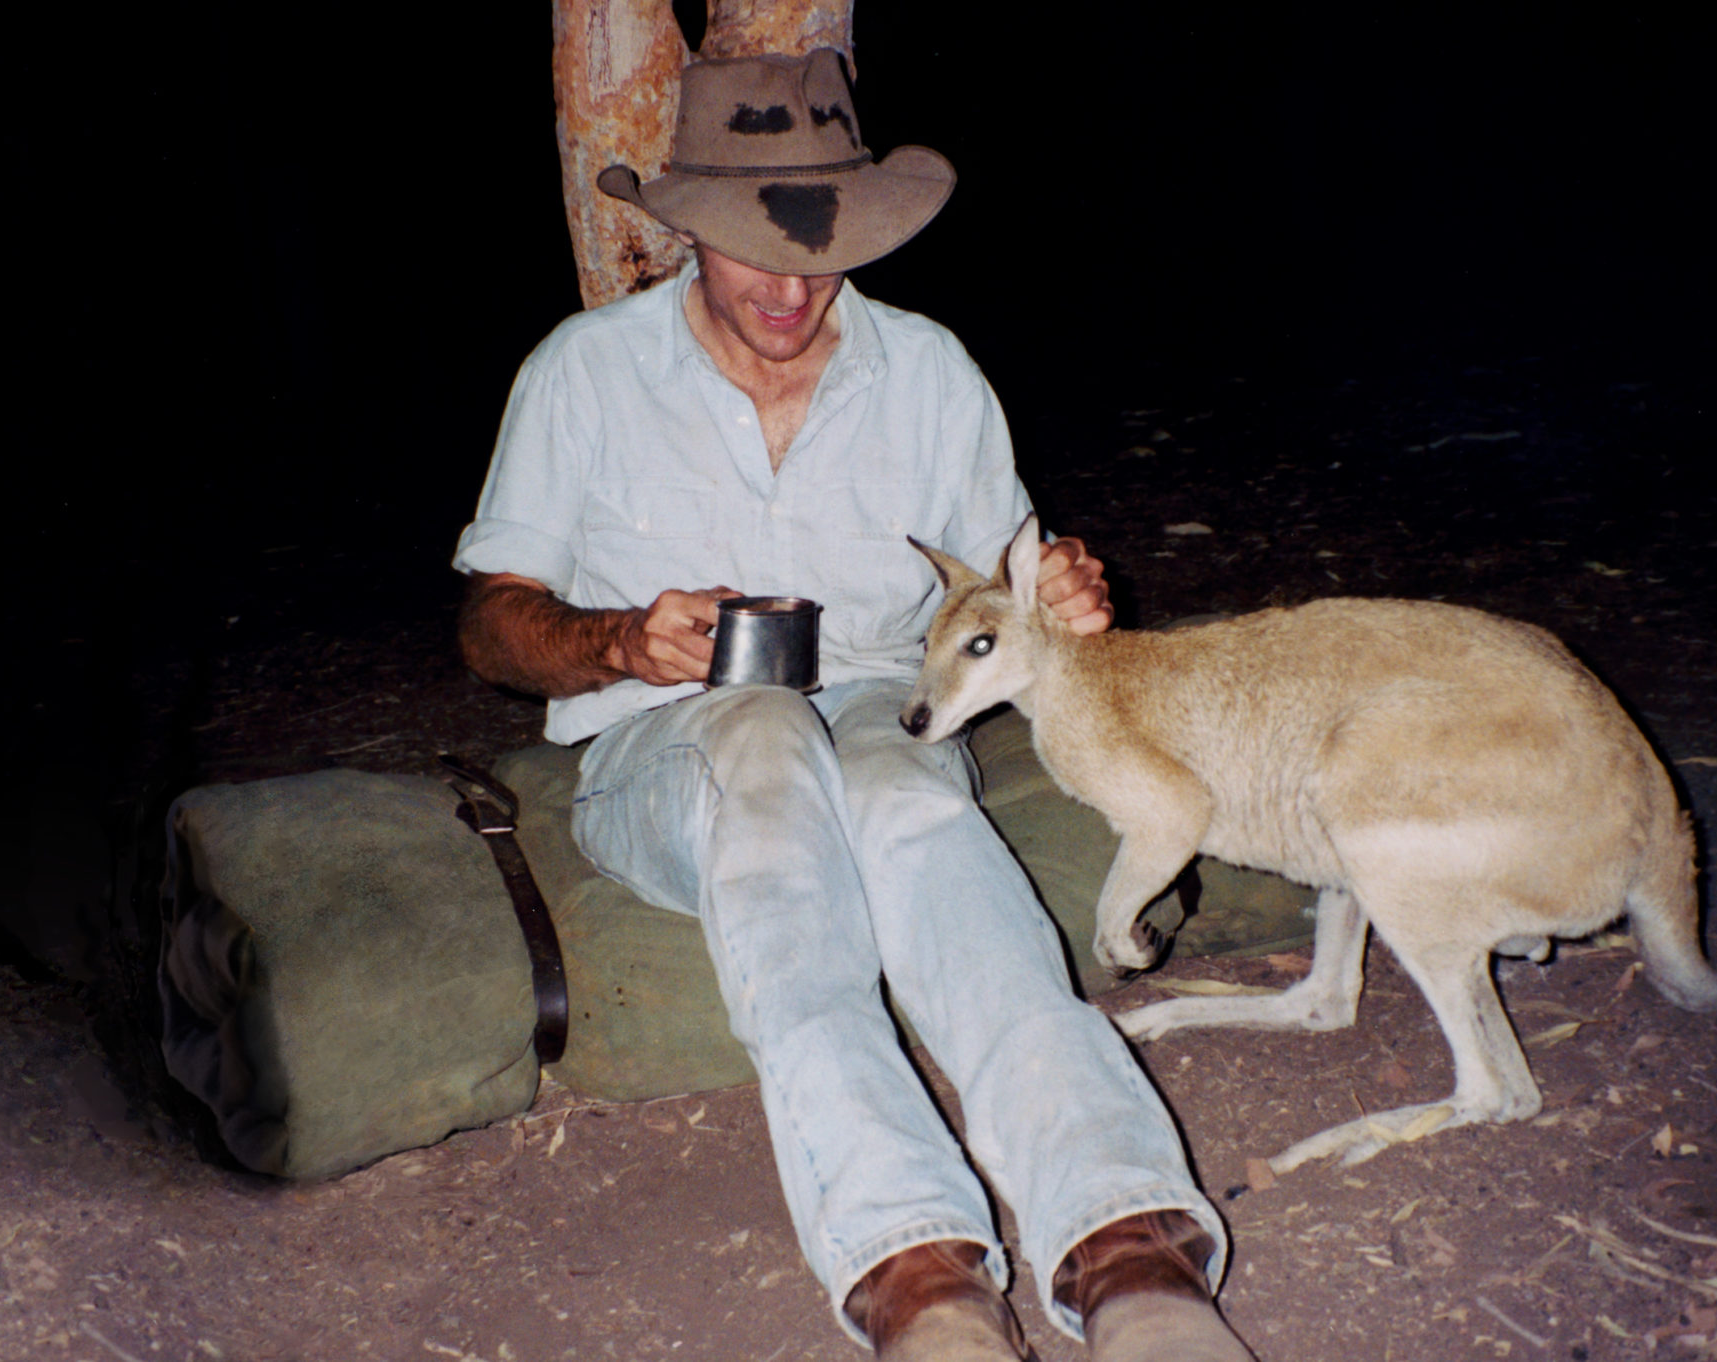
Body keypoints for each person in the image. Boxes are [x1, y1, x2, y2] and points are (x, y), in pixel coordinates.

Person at [452, 49, 1254, 1362]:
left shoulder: (929, 372)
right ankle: (917, 1268)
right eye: (756, 253)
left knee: (904, 799)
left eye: (820, 256)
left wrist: (1066, 596)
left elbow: (1011, 602)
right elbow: (490, 622)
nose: (790, 290)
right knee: (764, 739)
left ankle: (1126, 1239)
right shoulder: (584, 374)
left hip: (887, 710)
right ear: (691, 232)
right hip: (664, 749)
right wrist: (615, 639)